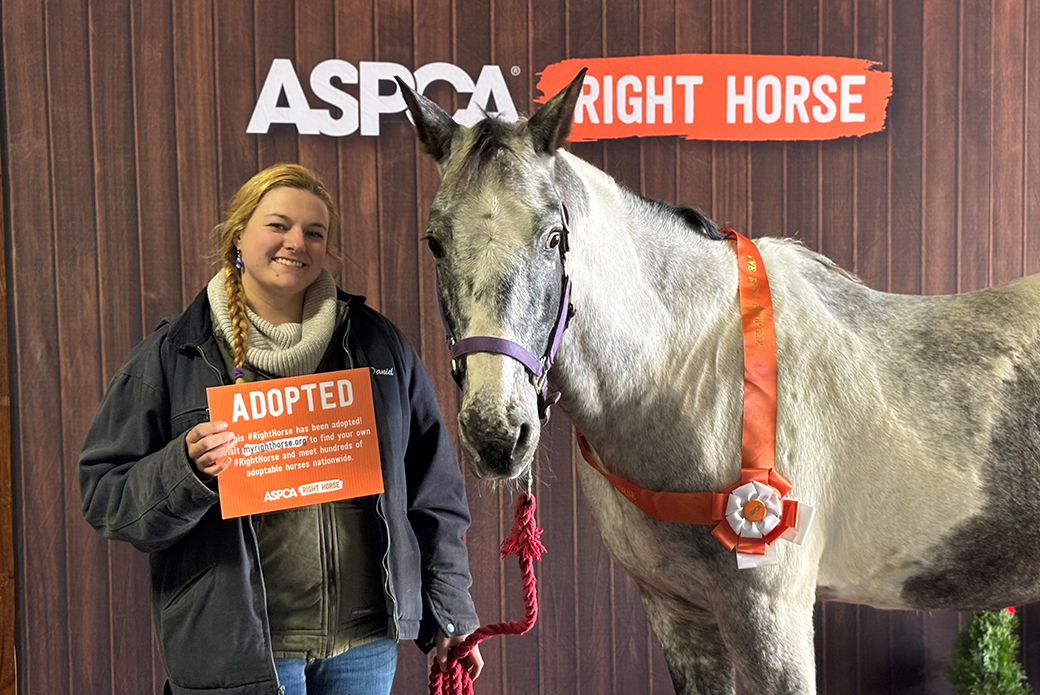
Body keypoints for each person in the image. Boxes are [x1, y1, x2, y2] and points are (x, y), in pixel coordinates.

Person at [80, 163, 483, 695]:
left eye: (314, 232)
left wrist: (450, 614)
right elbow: (106, 497)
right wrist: (186, 469)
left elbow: (435, 493)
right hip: (242, 652)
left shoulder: (379, 346)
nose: (297, 242)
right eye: (278, 225)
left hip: (364, 646)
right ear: (238, 237)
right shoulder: (174, 353)